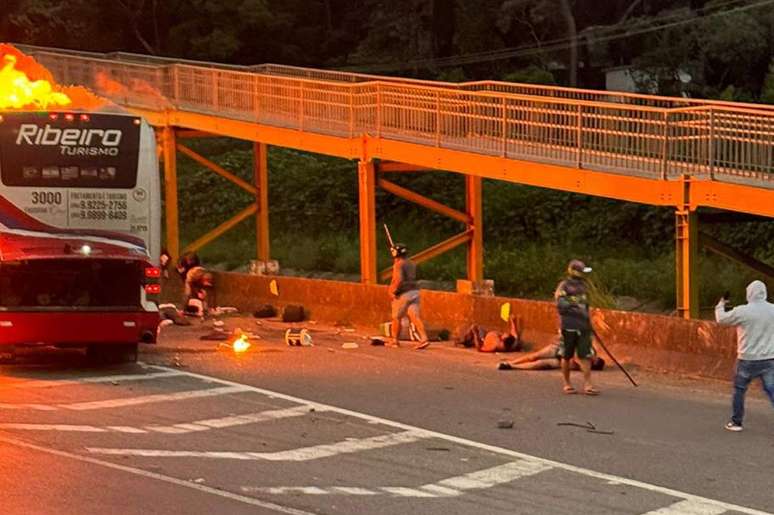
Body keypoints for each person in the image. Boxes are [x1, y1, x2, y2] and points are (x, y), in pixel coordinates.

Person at [715, 280, 774, 432]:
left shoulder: (742, 311)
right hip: (769, 358)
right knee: (772, 389)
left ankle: (736, 422)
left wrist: (721, 304)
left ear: (749, 293)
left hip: (746, 359)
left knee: (739, 390)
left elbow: (721, 319)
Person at [555, 259, 599, 395]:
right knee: (566, 355)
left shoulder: (584, 286)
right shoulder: (564, 286)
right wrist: (576, 304)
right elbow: (561, 305)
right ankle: (567, 383)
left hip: (584, 326)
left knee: (585, 355)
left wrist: (589, 321)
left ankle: (588, 384)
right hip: (569, 326)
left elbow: (586, 306)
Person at [388, 243, 429, 350]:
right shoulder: (412, 263)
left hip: (403, 293)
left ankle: (394, 340)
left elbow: (399, 279)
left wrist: (393, 290)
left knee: (396, 317)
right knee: (414, 316)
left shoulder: (398, 265)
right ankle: (424, 338)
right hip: (415, 292)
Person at [498, 337, 605, 371]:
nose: (592, 358)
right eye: (595, 358)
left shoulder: (585, 365)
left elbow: (575, 359)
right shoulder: (591, 350)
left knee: (539, 364)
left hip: (559, 360)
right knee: (534, 356)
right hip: (557, 349)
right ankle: (511, 362)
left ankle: (513, 366)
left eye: (593, 362)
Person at [455, 314, 523, 353]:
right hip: (486, 334)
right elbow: (514, 334)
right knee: (476, 328)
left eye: (506, 334)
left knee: (474, 327)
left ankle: (464, 341)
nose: (505, 333)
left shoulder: (495, 345)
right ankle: (466, 340)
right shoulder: (512, 344)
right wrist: (513, 322)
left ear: (504, 339)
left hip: (482, 339)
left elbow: (480, 348)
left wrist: (475, 333)